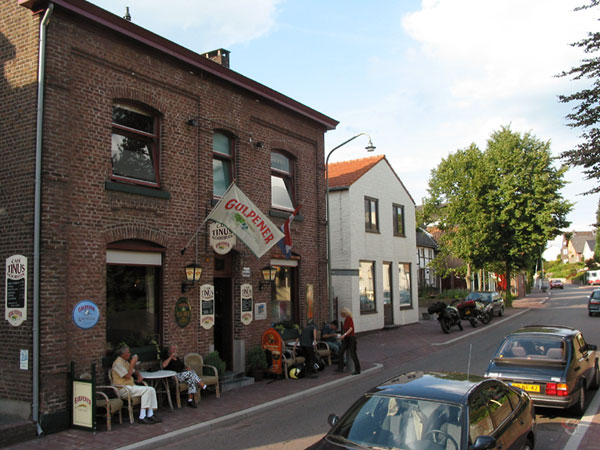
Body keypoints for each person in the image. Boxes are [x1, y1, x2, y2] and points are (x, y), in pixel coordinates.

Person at [111, 345, 161, 424]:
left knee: (151, 389)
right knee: (147, 390)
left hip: (131, 387)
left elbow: (133, 371)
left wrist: (138, 375)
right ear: (123, 354)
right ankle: (142, 416)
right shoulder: (118, 363)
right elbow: (127, 376)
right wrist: (132, 363)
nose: (130, 354)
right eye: (128, 352)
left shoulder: (125, 362)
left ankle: (150, 414)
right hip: (123, 389)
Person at [337, 307, 361, 375]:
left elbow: (351, 328)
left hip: (351, 338)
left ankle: (357, 370)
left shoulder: (349, 319)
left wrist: (344, 335)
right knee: (340, 351)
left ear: (344, 313)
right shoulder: (346, 319)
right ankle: (340, 367)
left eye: (341, 314)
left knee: (353, 354)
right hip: (347, 338)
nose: (341, 315)